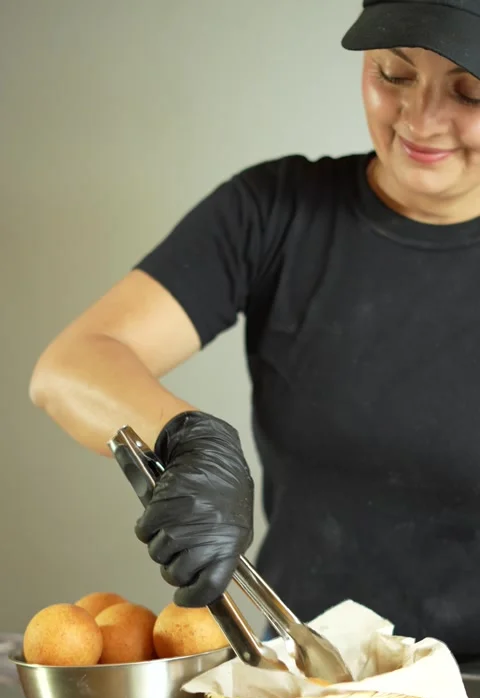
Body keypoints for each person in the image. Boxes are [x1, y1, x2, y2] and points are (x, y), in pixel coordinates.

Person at [29, 0, 480, 660]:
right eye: (393, 74)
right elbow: (69, 366)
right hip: (310, 697)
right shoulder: (274, 213)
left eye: (469, 90)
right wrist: (192, 442)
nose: (420, 118)